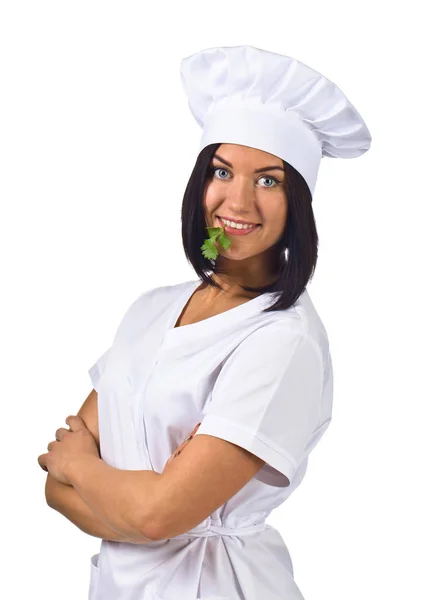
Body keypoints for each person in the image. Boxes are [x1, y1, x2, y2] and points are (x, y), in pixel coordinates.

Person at [66, 45, 373, 599]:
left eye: (270, 180)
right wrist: (130, 500)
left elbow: (158, 515)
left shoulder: (282, 340)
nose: (238, 200)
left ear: (298, 202)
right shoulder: (150, 309)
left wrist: (81, 468)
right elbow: (60, 483)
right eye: (222, 171)